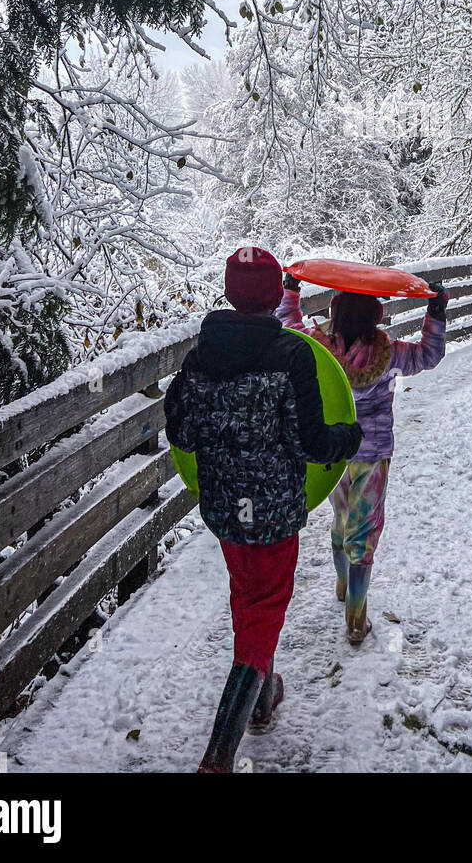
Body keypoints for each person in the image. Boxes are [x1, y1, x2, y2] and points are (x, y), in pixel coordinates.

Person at [165, 246, 363, 773]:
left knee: (246, 598)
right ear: (276, 295)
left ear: (231, 293)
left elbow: (181, 433)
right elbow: (315, 444)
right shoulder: (292, 356)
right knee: (264, 611)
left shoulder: (198, 359)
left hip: (226, 510)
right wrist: (350, 435)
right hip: (273, 514)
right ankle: (219, 752)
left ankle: (261, 699)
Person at [277, 273, 447, 645]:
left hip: (334, 453)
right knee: (364, 531)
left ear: (334, 314)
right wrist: (435, 311)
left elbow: (287, 324)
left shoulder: (318, 349)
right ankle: (356, 619)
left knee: (340, 520)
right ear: (375, 318)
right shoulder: (391, 355)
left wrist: (291, 291)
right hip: (373, 455)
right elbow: (429, 354)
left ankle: (342, 585)